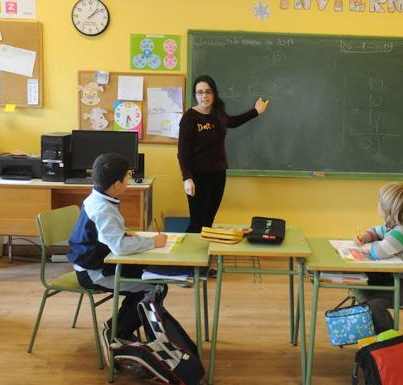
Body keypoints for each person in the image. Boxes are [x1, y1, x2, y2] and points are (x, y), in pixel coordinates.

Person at [67, 153, 168, 347]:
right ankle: (116, 332)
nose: (129, 179)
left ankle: (124, 328)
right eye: (127, 176)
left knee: (152, 277)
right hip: (93, 272)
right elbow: (119, 247)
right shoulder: (103, 209)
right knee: (156, 287)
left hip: (98, 262)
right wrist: (153, 242)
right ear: (117, 185)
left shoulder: (98, 196)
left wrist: (123, 233)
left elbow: (103, 234)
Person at [177, 74, 268, 233]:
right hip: (197, 177)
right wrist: (187, 178)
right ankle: (187, 257)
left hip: (218, 174)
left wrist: (256, 112)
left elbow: (233, 122)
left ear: (214, 94)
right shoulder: (189, 117)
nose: (204, 96)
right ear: (195, 95)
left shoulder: (217, 114)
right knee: (197, 223)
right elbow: (182, 153)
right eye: (200, 92)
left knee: (208, 222)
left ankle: (204, 256)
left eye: (208, 91)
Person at [352, 182, 403, 333]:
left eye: (380, 202)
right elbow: (375, 231)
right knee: (361, 280)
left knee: (374, 303)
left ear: (390, 209)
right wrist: (364, 237)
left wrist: (367, 247)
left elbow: (378, 252)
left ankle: (390, 341)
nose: (377, 204)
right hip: (399, 277)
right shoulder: (393, 224)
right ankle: (368, 328)